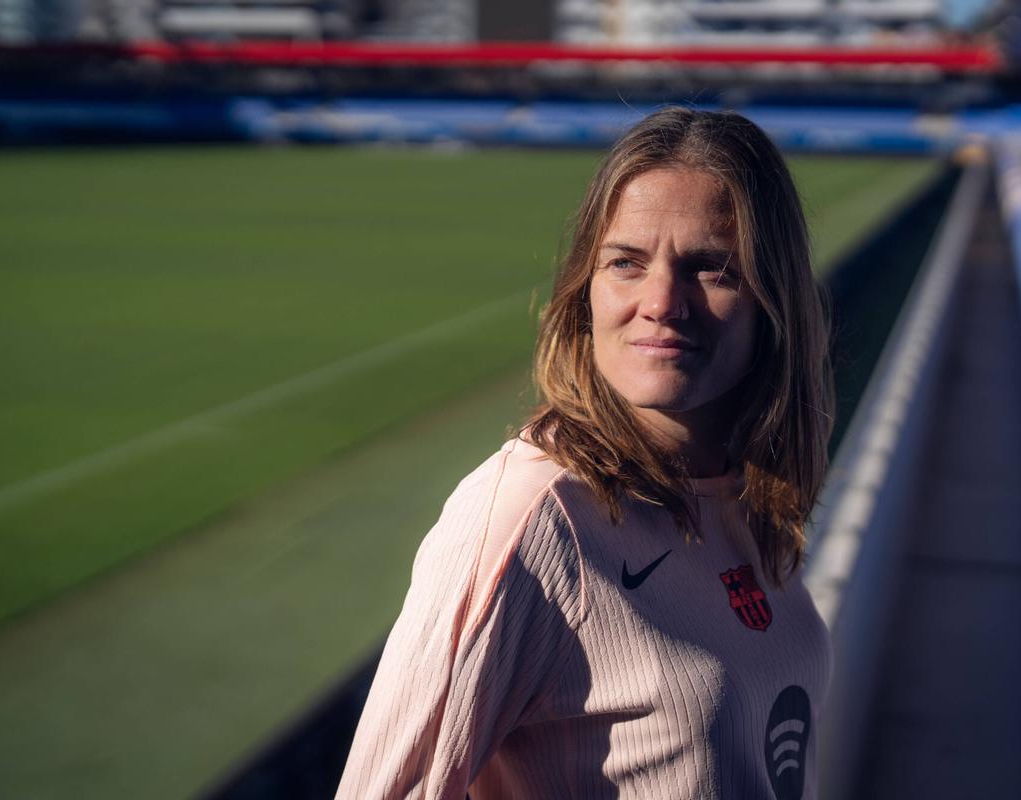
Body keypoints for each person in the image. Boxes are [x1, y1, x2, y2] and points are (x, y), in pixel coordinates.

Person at [336, 106, 835, 800]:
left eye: (711, 268)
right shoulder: (534, 517)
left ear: (773, 298)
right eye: (626, 263)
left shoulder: (746, 494)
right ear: (586, 289)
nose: (661, 302)